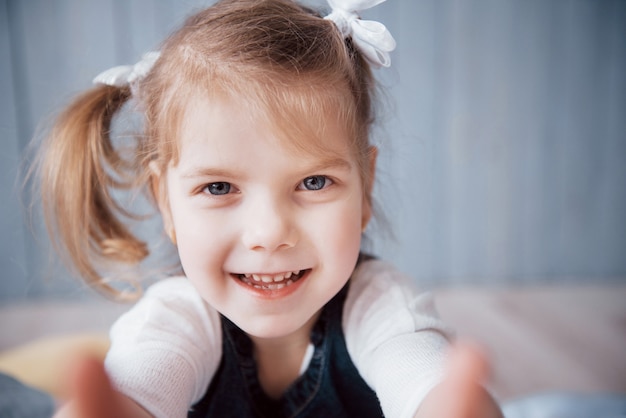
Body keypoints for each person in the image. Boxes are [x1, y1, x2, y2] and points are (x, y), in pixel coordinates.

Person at [35, 0, 504, 416]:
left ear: (366, 188)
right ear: (166, 201)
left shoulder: (379, 305)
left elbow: (420, 374)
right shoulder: (176, 318)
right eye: (219, 187)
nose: (268, 232)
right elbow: (141, 384)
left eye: (313, 182)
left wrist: (451, 402)